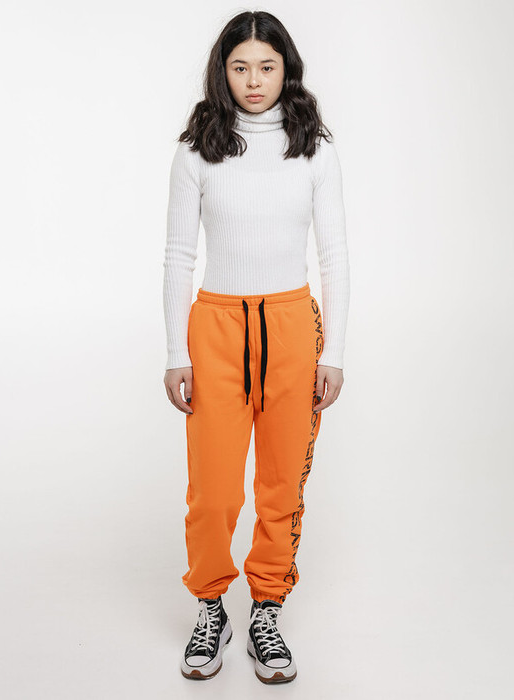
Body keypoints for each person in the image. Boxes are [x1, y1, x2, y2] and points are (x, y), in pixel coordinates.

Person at [162, 10, 350, 684]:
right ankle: (210, 606)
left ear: (285, 70)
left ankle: (266, 607)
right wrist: (175, 353)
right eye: (239, 66)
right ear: (223, 72)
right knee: (213, 491)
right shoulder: (198, 149)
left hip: (292, 328)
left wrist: (334, 353)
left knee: (281, 485)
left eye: (266, 66)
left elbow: (334, 254)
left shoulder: (313, 147)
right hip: (215, 330)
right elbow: (178, 254)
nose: (253, 80)